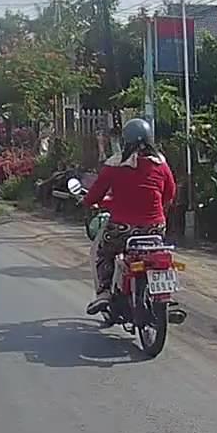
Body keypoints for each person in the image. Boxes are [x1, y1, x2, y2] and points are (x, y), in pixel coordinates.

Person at [81, 118, 177, 315]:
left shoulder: (115, 164)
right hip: (155, 228)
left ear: (125, 140)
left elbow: (94, 195)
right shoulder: (161, 163)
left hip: (122, 228)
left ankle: (104, 292)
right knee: (157, 256)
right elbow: (170, 193)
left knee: (102, 252)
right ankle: (164, 296)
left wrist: (88, 202)